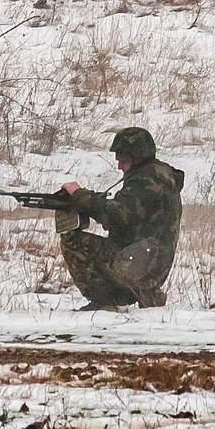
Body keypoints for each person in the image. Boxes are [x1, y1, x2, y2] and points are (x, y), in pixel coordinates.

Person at [55, 127, 183, 310]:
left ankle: (107, 300)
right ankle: (142, 293)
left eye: (124, 160)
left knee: (72, 240)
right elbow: (132, 218)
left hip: (141, 264)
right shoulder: (160, 175)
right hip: (150, 262)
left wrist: (79, 196)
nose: (119, 166)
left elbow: (117, 215)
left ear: (137, 157)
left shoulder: (147, 180)